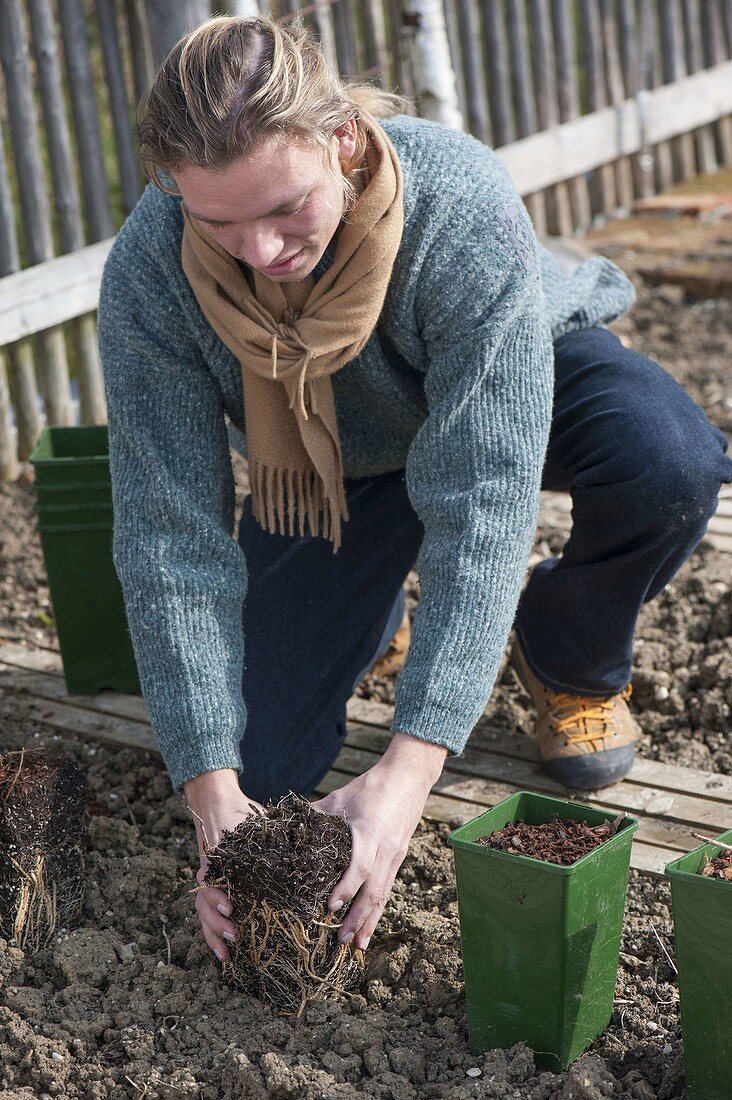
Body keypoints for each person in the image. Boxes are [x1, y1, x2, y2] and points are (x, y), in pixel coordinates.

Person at [97, 15, 732, 969]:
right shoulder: (151, 273)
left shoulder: (456, 203)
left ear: (342, 141)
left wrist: (409, 769)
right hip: (329, 468)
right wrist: (208, 788)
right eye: (215, 222)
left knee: (667, 464)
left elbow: (483, 494)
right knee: (261, 768)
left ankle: (571, 653)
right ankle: (373, 604)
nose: (259, 252)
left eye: (286, 210)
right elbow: (167, 535)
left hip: (512, 381)